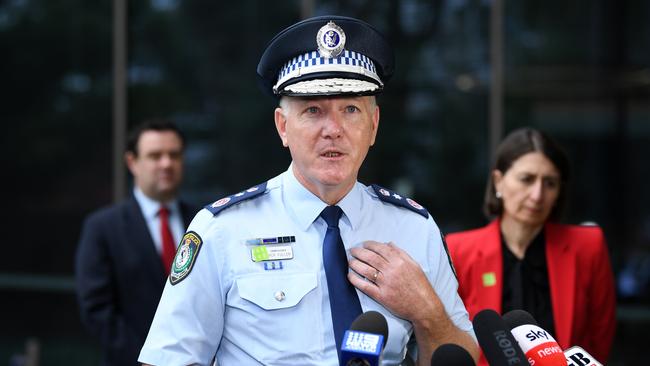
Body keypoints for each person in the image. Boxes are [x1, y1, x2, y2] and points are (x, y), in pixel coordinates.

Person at [138, 15, 479, 366]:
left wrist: (426, 311)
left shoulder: (414, 229)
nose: (333, 129)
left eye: (350, 110)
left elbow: (463, 357)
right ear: (283, 127)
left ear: (373, 126)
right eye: (313, 111)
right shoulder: (221, 230)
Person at [446, 128, 616, 364]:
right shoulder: (459, 251)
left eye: (550, 183)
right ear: (499, 181)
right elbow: (448, 337)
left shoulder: (588, 247)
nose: (537, 195)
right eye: (527, 179)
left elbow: (600, 338)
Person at [75, 119, 197, 366]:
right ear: (132, 162)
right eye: (155, 156)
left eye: (173, 155)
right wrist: (149, 359)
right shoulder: (102, 228)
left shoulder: (202, 222)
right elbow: (97, 310)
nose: (166, 163)